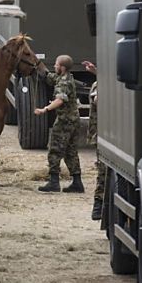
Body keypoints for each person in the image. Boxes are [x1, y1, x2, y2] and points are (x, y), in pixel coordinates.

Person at [34, 55, 84, 193]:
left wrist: (45, 109)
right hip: (74, 120)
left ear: (62, 67)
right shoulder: (66, 77)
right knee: (71, 151)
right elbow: (50, 77)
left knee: (54, 150)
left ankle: (54, 182)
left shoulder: (64, 83)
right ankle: (77, 182)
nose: (54, 66)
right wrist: (38, 65)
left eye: (56, 64)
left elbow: (60, 100)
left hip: (64, 121)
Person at [83, 60, 104, 220]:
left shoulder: (101, 83)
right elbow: (97, 100)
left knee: (103, 173)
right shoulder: (99, 85)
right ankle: (98, 206)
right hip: (101, 136)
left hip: (104, 136)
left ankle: (99, 206)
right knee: (102, 173)